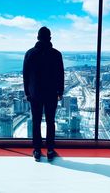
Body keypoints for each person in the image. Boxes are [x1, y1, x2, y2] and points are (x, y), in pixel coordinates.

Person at [23, 26, 64, 162]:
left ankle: (36, 150)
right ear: (50, 38)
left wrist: (27, 92)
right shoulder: (56, 54)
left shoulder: (30, 53)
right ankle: (50, 149)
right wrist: (60, 91)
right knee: (50, 122)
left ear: (37, 38)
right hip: (51, 93)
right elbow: (60, 75)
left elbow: (25, 76)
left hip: (35, 94)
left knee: (36, 122)